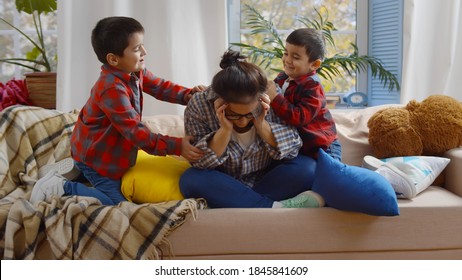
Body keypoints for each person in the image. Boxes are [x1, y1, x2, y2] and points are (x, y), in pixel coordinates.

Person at [30, 16, 205, 205]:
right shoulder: (111, 89)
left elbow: (161, 87)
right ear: (113, 59)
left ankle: (77, 171)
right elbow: (136, 133)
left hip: (105, 150)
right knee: (117, 206)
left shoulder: (135, 71)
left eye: (142, 45)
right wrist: (178, 146)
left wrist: (189, 95)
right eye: (137, 49)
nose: (145, 52)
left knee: (104, 181)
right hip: (99, 162)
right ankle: (61, 186)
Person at [179, 50, 324, 208]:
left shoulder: (272, 95)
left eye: (249, 115)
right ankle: (276, 208)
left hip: (266, 179)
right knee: (191, 179)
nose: (242, 122)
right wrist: (225, 130)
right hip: (222, 181)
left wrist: (261, 124)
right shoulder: (199, 104)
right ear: (220, 102)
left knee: (308, 168)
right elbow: (200, 162)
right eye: (234, 115)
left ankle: (246, 202)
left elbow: (292, 150)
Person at [266, 28, 342, 161]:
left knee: (333, 177)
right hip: (301, 147)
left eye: (295, 57)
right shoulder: (282, 77)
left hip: (323, 147)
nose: (287, 60)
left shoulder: (313, 86)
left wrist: (275, 98)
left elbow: (299, 117)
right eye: (286, 53)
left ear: (314, 64)